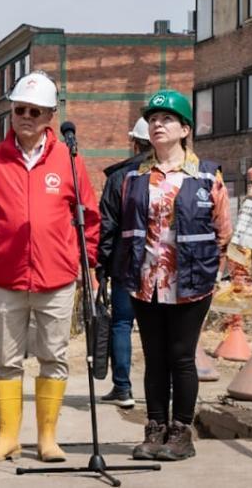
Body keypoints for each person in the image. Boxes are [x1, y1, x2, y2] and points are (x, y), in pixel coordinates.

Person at [0, 71, 100, 464]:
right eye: (19, 109)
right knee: (6, 360)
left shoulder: (70, 160)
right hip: (5, 279)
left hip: (56, 279)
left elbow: (89, 218)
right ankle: (8, 437)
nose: (24, 116)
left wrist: (85, 262)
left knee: (53, 357)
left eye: (34, 111)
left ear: (49, 117)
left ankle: (47, 438)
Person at [119, 90, 231, 462]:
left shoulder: (206, 177)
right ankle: (155, 428)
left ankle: (182, 432)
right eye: (152, 119)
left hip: (191, 282)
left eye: (166, 119)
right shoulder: (133, 177)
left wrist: (212, 272)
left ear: (185, 129)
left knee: (181, 356)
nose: (157, 125)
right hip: (145, 281)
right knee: (154, 358)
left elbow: (222, 232)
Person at [95, 117, 151, 409]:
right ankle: (161, 390)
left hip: (125, 264)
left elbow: (107, 225)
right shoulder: (170, 174)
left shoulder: (120, 178)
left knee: (121, 323)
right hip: (161, 267)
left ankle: (123, 388)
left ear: (135, 142)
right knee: (160, 328)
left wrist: (101, 266)